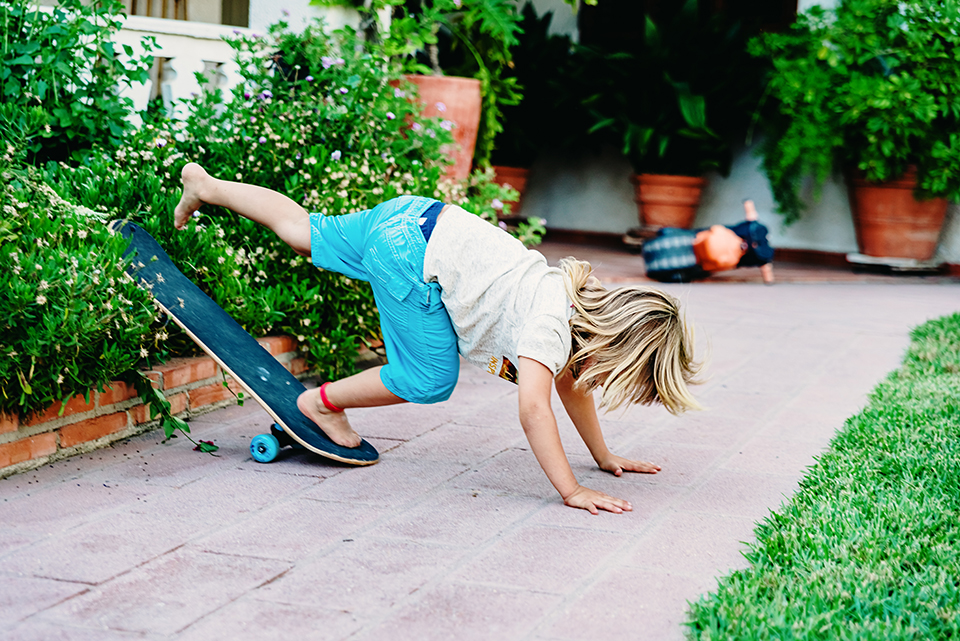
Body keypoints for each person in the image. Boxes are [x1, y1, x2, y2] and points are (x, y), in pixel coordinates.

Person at [174, 163, 702, 515]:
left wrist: (603, 455)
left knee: (301, 228)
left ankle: (209, 188)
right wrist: (572, 489)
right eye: (630, 382)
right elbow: (535, 409)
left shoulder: (567, 303)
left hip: (418, 218)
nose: (617, 388)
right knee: (428, 378)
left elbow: (571, 386)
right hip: (411, 253)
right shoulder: (550, 327)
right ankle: (319, 403)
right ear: (618, 350)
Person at [643, 200, 775, 284]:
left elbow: (749, 207)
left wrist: (748, 202)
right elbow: (767, 275)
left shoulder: (753, 227)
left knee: (670, 233)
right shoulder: (762, 256)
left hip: (694, 239)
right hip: (698, 263)